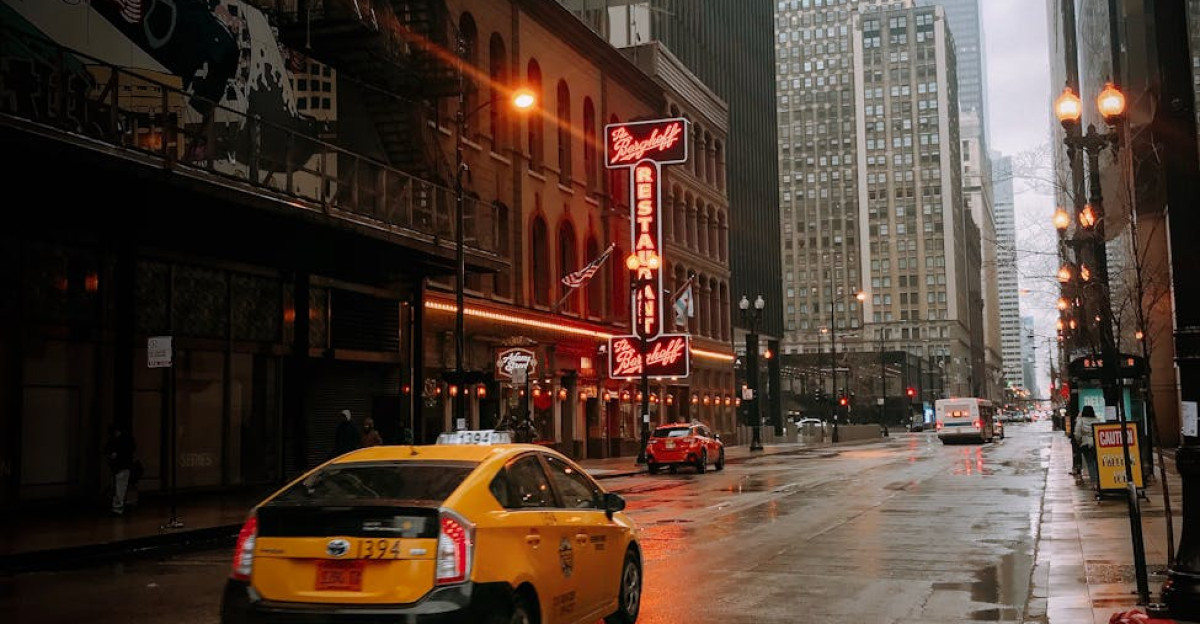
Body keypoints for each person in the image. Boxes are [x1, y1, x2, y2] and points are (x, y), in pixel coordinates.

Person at [104, 424, 136, 516]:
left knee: (118, 488)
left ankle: (117, 507)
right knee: (119, 488)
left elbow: (106, 450)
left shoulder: (114, 441)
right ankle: (118, 507)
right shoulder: (126, 441)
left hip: (119, 466)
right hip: (122, 466)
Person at [1074, 405, 1100, 487]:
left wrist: (1079, 441)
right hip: (1096, 444)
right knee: (1096, 462)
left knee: (1089, 462)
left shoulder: (1080, 421)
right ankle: (1099, 481)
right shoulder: (1097, 420)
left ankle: (1094, 482)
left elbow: (1077, 433)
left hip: (1085, 444)